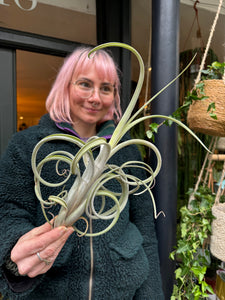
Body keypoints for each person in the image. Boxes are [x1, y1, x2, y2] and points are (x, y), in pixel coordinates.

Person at [0, 46, 164, 300]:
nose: (96, 97)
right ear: (65, 86)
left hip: (121, 291)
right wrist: (16, 251)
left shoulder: (126, 151)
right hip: (47, 290)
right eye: (85, 84)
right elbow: (8, 212)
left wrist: (151, 295)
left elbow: (144, 228)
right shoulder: (27, 145)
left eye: (106, 88)